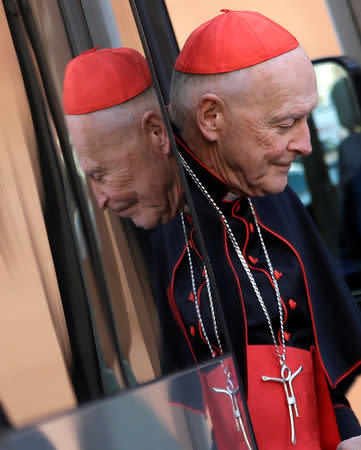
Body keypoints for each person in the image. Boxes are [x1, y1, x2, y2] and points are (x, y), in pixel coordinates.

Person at [150, 10, 361, 449]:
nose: (305, 144)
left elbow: (324, 341)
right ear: (211, 118)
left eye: (307, 119)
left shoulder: (267, 184)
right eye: (286, 123)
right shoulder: (156, 211)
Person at [63, 47, 183, 230]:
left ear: (156, 133)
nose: (101, 202)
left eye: (101, 176)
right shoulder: (157, 233)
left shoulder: (234, 183)